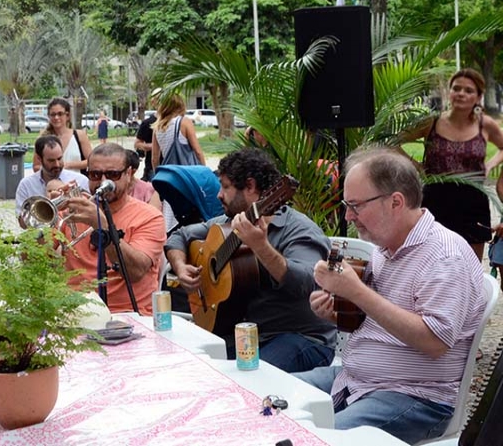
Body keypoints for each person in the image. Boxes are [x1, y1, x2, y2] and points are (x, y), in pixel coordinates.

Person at [293, 147, 486, 444]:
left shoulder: (445, 257)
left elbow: (434, 342)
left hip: (417, 397)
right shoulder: (386, 245)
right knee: (266, 397)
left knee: (313, 440)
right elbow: (375, 317)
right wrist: (335, 309)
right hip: (355, 380)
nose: (348, 216)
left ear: (396, 202)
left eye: (356, 206)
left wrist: (356, 290)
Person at [164, 148, 335, 370]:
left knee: (245, 380)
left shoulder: (299, 230)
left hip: (298, 338)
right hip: (242, 335)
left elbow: (308, 283)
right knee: (186, 366)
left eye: (225, 187)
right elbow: (180, 236)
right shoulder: (229, 223)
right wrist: (180, 266)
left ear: (251, 187)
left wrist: (261, 246)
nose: (218, 195)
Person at [397, 68, 503, 261]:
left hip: (473, 205)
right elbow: (393, 141)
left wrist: (490, 164)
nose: (461, 93)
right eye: (457, 88)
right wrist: (417, 166)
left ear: (478, 96)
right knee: (431, 264)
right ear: (450, 92)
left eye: (469, 90)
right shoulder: (432, 122)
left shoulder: (485, 125)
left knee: (470, 268)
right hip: (435, 203)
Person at [62, 143, 165, 315]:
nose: (103, 182)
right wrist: (45, 219)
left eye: (112, 175)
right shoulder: (73, 210)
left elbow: (135, 272)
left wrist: (103, 226)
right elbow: (30, 258)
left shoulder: (150, 217)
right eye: (95, 174)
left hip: (128, 316)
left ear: (129, 174)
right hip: (75, 315)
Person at [152, 93, 206, 231]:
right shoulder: (184, 122)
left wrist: (160, 179)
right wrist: (204, 171)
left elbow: (155, 158)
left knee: (170, 215)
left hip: (169, 178)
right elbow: (197, 151)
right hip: (187, 176)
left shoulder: (157, 127)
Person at [15, 135, 89, 221]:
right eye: (51, 160)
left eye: (59, 158)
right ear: (39, 159)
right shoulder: (26, 185)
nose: (57, 164)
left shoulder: (81, 180)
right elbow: (22, 222)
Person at [32, 98, 92, 174]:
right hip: (52, 184)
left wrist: (68, 165)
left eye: (60, 114)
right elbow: (36, 167)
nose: (56, 117)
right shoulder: (42, 139)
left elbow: (91, 161)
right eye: (53, 114)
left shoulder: (79, 135)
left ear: (67, 116)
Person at [134, 113, 157, 182]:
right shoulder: (148, 123)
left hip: (174, 167)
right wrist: (155, 146)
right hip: (152, 168)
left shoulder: (175, 121)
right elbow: (137, 144)